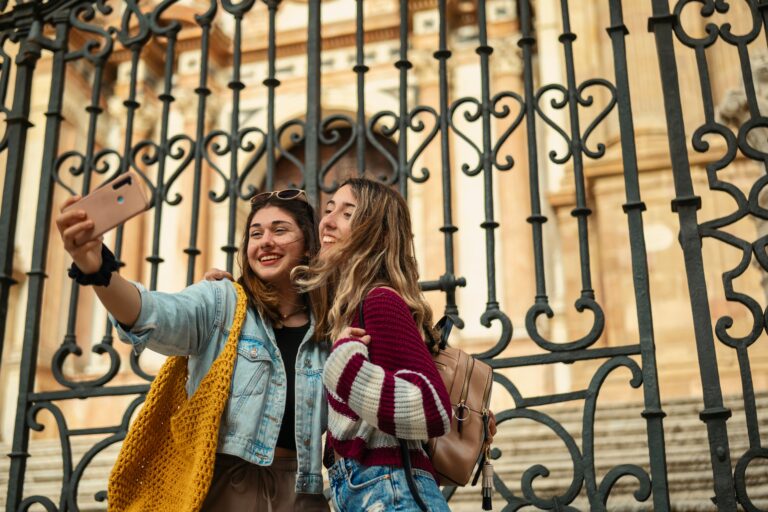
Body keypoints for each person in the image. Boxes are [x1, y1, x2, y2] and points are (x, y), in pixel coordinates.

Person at [56, 188, 330, 511]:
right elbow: (150, 314)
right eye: (256, 233)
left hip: (303, 493)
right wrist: (97, 270)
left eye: (280, 230)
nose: (265, 241)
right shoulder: (222, 303)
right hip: (222, 489)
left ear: (310, 247)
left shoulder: (330, 325)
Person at [295, 177, 457, 511]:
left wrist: (346, 368)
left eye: (347, 213)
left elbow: (432, 409)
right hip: (365, 488)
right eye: (329, 210)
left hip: (390, 488)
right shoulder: (351, 309)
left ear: (375, 231)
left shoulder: (379, 300)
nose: (326, 221)